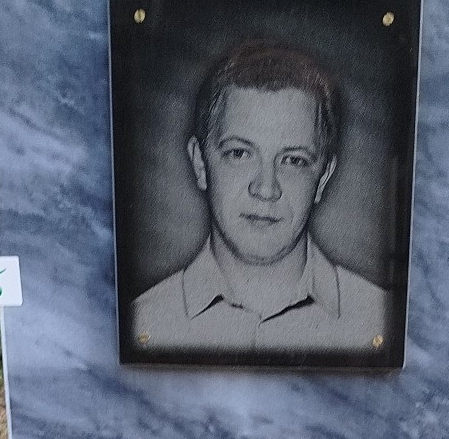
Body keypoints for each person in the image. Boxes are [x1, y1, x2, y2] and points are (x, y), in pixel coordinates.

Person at [128, 39, 390, 360]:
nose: (266, 189)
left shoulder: (379, 320)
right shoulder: (144, 323)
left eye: (293, 160)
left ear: (322, 178)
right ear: (200, 164)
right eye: (239, 153)